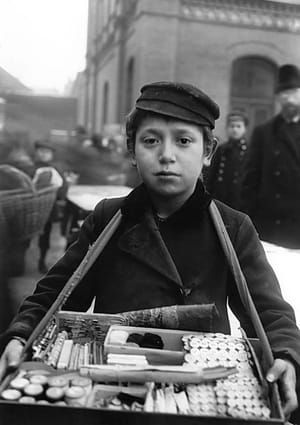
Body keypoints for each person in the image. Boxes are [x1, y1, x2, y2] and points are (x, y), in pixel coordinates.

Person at [0, 82, 299, 419]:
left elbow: (270, 312)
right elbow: (56, 296)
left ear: (208, 152)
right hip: (115, 389)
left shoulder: (233, 228)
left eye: (184, 141)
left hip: (202, 396)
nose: (166, 155)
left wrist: (286, 355)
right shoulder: (107, 219)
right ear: (132, 150)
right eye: (150, 140)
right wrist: (20, 335)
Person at [241, 64, 300, 248]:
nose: (288, 99)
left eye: (293, 92)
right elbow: (250, 181)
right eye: (283, 94)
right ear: (277, 98)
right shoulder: (264, 133)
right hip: (268, 228)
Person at [33, 140, 67, 273]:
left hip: (46, 208)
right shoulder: (30, 167)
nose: (44, 155)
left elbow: (63, 186)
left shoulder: (55, 169)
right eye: (41, 151)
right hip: (30, 207)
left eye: (47, 152)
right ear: (36, 152)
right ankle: (18, 260)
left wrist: (59, 196)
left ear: (51, 155)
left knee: (45, 235)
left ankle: (42, 260)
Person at [204, 111, 248, 209]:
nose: (235, 130)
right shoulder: (221, 149)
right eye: (232, 126)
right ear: (227, 129)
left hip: (240, 199)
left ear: (245, 129)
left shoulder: (249, 151)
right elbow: (212, 174)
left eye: (238, 126)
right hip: (221, 197)